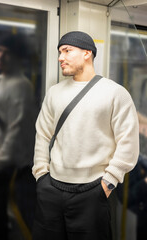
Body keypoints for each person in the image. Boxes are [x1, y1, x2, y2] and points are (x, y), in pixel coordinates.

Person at [32, 31, 139, 240]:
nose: (61, 57)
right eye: (59, 52)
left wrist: (108, 183)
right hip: (51, 188)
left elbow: (128, 143)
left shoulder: (114, 93)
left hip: (93, 191)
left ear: (87, 53)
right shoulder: (54, 92)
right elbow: (43, 135)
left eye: (67, 51)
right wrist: (41, 175)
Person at [0, 35, 36, 240]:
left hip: (5, 166)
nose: (1, 56)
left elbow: (16, 129)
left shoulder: (21, 86)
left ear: (17, 58)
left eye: (7, 53)